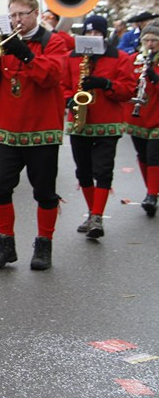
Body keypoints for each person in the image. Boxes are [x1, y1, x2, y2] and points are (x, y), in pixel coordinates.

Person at [0, 0, 69, 271]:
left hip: (42, 128)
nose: (17, 20)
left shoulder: (54, 42)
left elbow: (52, 77)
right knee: (0, 188)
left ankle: (44, 244)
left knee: (44, 192)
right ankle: (6, 244)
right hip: (7, 128)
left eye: (22, 14)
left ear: (35, 14)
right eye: (12, 15)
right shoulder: (4, 42)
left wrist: (26, 54)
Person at [62, 15, 134, 239]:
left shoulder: (120, 57)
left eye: (97, 33)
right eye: (89, 33)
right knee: (83, 171)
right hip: (79, 122)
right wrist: (69, 100)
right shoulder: (71, 57)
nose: (93, 37)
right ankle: (93, 213)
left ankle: (97, 216)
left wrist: (106, 84)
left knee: (103, 170)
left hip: (107, 122)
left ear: (104, 35)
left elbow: (128, 89)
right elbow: (62, 86)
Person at [125, 23, 159, 217]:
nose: (150, 44)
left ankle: (151, 195)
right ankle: (151, 190)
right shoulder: (134, 60)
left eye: (154, 40)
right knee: (143, 155)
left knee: (155, 155)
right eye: (147, 40)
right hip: (137, 115)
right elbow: (126, 82)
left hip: (157, 115)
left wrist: (155, 78)